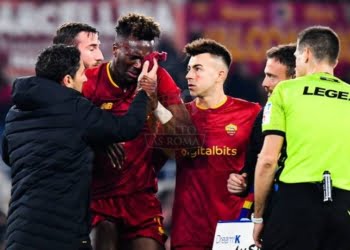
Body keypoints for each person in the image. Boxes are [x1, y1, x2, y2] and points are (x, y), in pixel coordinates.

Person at [1, 44, 155, 250]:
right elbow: (125, 128)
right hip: (63, 236)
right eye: (82, 73)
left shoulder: (15, 113)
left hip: (18, 236)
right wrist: (143, 92)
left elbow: (8, 157)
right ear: (67, 80)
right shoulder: (75, 107)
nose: (85, 79)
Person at [82, 13, 195, 250]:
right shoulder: (90, 81)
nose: (138, 66)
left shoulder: (157, 77)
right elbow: (65, 127)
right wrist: (101, 137)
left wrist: (154, 102)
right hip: (97, 197)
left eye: (144, 60)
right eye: (132, 58)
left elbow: (187, 139)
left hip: (140, 198)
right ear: (115, 49)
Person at [253, 26, 350, 250]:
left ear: (306, 54)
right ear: (333, 61)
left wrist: (259, 217)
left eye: (296, 56)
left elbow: (268, 160)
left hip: (296, 203)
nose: (296, 63)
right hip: (344, 206)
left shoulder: (286, 91)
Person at [171, 38, 261, 250]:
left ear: (220, 74)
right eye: (189, 69)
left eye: (197, 69)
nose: (189, 75)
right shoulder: (180, 116)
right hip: (188, 233)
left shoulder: (251, 113)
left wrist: (246, 180)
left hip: (234, 231)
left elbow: (266, 163)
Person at [227, 44, 296, 216]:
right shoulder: (264, 114)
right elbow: (251, 168)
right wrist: (241, 181)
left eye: (272, 77)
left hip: (298, 210)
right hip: (270, 211)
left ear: (293, 78)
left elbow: (267, 162)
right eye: (265, 75)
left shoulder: (313, 117)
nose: (264, 83)